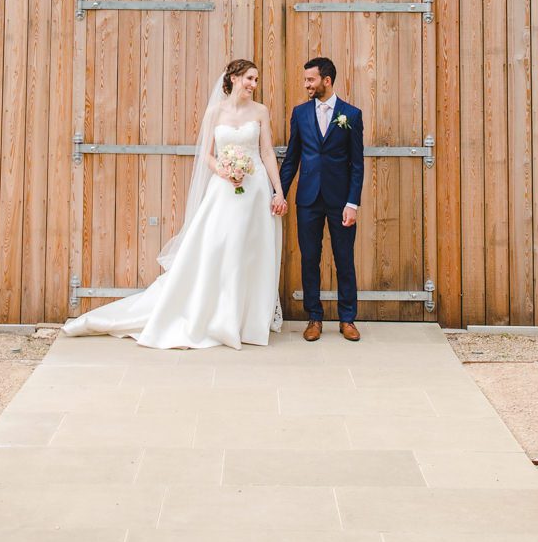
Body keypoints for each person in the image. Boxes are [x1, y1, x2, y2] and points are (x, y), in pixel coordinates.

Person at [61, 58, 285, 349]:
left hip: (255, 190)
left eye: (256, 80)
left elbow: (266, 152)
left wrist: (277, 192)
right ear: (233, 78)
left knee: (252, 251)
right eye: (249, 79)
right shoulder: (214, 112)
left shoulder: (260, 112)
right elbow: (206, 154)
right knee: (220, 249)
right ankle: (218, 317)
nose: (253, 86)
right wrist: (225, 171)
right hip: (224, 189)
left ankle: (248, 321)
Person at [280, 56, 365, 341]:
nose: (306, 85)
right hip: (308, 200)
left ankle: (348, 319)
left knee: (344, 259)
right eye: (305, 80)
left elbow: (357, 164)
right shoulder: (300, 113)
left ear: (326, 81)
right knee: (310, 259)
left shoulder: (351, 115)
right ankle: (314, 318)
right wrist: (278, 192)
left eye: (310, 80)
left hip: (340, 201)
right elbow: (292, 159)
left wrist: (352, 203)